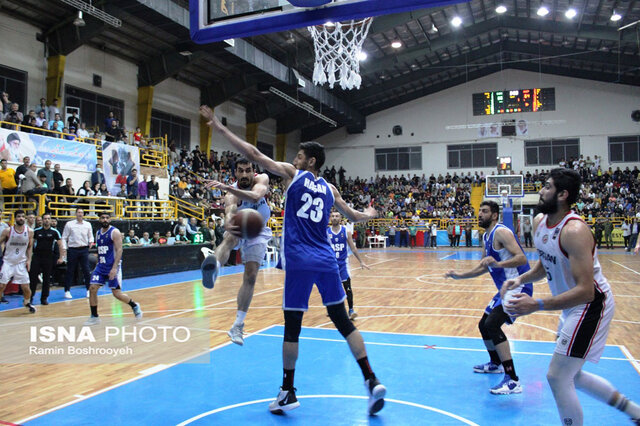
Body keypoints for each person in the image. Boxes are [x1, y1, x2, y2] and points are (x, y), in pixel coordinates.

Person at [200, 105, 386, 416]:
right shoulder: (330, 188)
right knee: (342, 321)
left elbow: (254, 153)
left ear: (309, 162)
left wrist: (219, 127)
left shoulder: (293, 174)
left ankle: (287, 390)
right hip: (327, 259)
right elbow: (354, 215)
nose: (294, 159)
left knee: (292, 328)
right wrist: (369, 214)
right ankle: (371, 379)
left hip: (300, 259)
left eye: (299, 156)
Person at [502, 168, 640, 426]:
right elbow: (545, 264)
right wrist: (519, 279)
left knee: (557, 376)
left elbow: (586, 290)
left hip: (591, 304)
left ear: (563, 194)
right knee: (571, 375)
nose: (541, 191)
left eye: (547, 186)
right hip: (572, 306)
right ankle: (635, 411)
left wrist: (537, 304)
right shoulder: (540, 222)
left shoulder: (574, 231)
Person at [445, 201, 532, 395]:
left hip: (519, 285)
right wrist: (459, 275)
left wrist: (499, 264)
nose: (479, 214)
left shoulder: (502, 232)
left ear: (494, 215)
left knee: (492, 323)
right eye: (479, 211)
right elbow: (484, 267)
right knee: (484, 324)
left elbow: (522, 258)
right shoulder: (486, 236)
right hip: (504, 289)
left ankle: (512, 379)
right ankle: (495, 363)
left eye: (484, 211)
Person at [200, 157, 272, 346]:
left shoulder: (261, 179)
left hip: (258, 231)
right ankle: (214, 265)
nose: (245, 174)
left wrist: (226, 187)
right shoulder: (231, 195)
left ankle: (237, 325)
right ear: (235, 173)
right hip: (242, 227)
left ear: (252, 171)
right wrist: (229, 224)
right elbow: (229, 215)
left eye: (248, 170)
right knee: (230, 236)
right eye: (240, 170)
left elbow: (256, 197)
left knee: (250, 276)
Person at [85, 212, 142, 325]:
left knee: (116, 294)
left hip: (112, 266)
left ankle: (134, 305)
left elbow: (119, 250)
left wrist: (114, 268)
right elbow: (100, 250)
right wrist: (97, 262)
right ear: (99, 220)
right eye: (102, 218)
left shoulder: (114, 232)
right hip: (101, 266)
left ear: (110, 220)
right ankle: (94, 316)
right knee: (92, 288)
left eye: (107, 218)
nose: (105, 219)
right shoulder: (97, 233)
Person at [327, 210, 369, 319]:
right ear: (330, 218)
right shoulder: (326, 232)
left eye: (337, 216)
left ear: (340, 218)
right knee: (331, 289)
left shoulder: (346, 231)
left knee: (347, 288)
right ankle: (333, 309)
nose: (335, 218)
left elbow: (353, 248)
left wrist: (361, 261)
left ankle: (351, 310)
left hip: (343, 264)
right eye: (333, 216)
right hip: (331, 265)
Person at [0, 210, 36, 313]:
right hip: (8, 262)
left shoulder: (29, 232)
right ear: (15, 218)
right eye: (19, 216)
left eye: (22, 216)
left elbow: (29, 247)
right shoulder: (8, 231)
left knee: (26, 288)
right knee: (1, 286)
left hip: (21, 263)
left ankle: (27, 302)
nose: (21, 218)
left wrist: (29, 260)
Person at [29, 213, 64, 305]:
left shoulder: (55, 232)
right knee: (33, 278)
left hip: (48, 257)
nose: (47, 220)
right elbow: (30, 244)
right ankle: (30, 297)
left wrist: (61, 257)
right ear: (42, 220)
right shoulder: (36, 231)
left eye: (48, 219)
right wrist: (29, 257)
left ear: (50, 220)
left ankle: (44, 298)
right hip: (37, 256)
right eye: (45, 219)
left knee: (46, 278)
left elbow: (61, 245)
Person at [62, 208, 94, 299]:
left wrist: (91, 241)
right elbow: (64, 237)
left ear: (84, 214)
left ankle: (88, 290)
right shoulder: (69, 224)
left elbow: (90, 236)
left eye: (82, 212)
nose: (80, 214)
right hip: (72, 249)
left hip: (84, 249)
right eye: (79, 212)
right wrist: (64, 248)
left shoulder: (88, 224)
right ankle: (67, 290)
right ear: (76, 214)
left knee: (86, 270)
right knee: (70, 270)